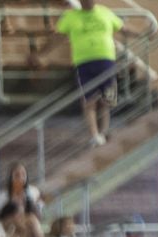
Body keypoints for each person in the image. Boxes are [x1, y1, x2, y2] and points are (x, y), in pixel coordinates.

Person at [49, 0, 126, 146]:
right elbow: (57, 36)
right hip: (84, 62)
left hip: (106, 60)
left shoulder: (105, 12)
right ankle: (94, 134)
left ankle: (104, 131)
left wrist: (147, 32)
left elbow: (122, 27)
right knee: (89, 100)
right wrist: (42, 52)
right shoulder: (71, 16)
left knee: (107, 99)